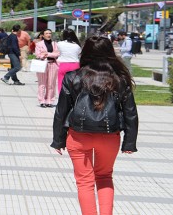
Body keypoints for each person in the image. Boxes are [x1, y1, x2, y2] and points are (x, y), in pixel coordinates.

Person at [52, 35, 138, 215]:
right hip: (109, 137)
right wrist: (129, 142)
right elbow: (130, 112)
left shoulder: (72, 77)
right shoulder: (120, 78)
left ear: (86, 53)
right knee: (105, 177)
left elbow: (61, 111)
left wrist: (58, 140)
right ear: (110, 53)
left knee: (84, 182)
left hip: (78, 137)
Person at [35, 29, 60, 108]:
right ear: (43, 35)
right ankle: (42, 100)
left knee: (51, 84)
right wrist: (47, 54)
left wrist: (47, 54)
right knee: (42, 83)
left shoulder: (55, 44)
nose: (48, 35)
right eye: (46, 33)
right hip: (43, 64)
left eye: (50, 33)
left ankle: (49, 100)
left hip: (53, 64)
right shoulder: (39, 44)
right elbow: (38, 55)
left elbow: (57, 54)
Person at [57, 29, 81, 93]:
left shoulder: (59, 44)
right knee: (74, 84)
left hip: (63, 64)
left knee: (61, 82)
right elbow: (79, 54)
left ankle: (62, 98)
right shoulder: (77, 46)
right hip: (75, 65)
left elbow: (57, 52)